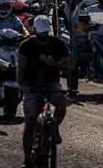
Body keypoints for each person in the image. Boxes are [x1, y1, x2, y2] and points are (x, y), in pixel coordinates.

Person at [18, 15, 69, 168]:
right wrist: (22, 86)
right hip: (32, 86)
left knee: (61, 105)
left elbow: (67, 66)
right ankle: (27, 158)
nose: (43, 40)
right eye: (40, 36)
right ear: (34, 32)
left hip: (51, 84)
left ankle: (54, 129)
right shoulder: (26, 45)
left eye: (45, 36)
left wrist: (53, 64)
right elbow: (21, 68)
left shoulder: (58, 44)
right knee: (30, 120)